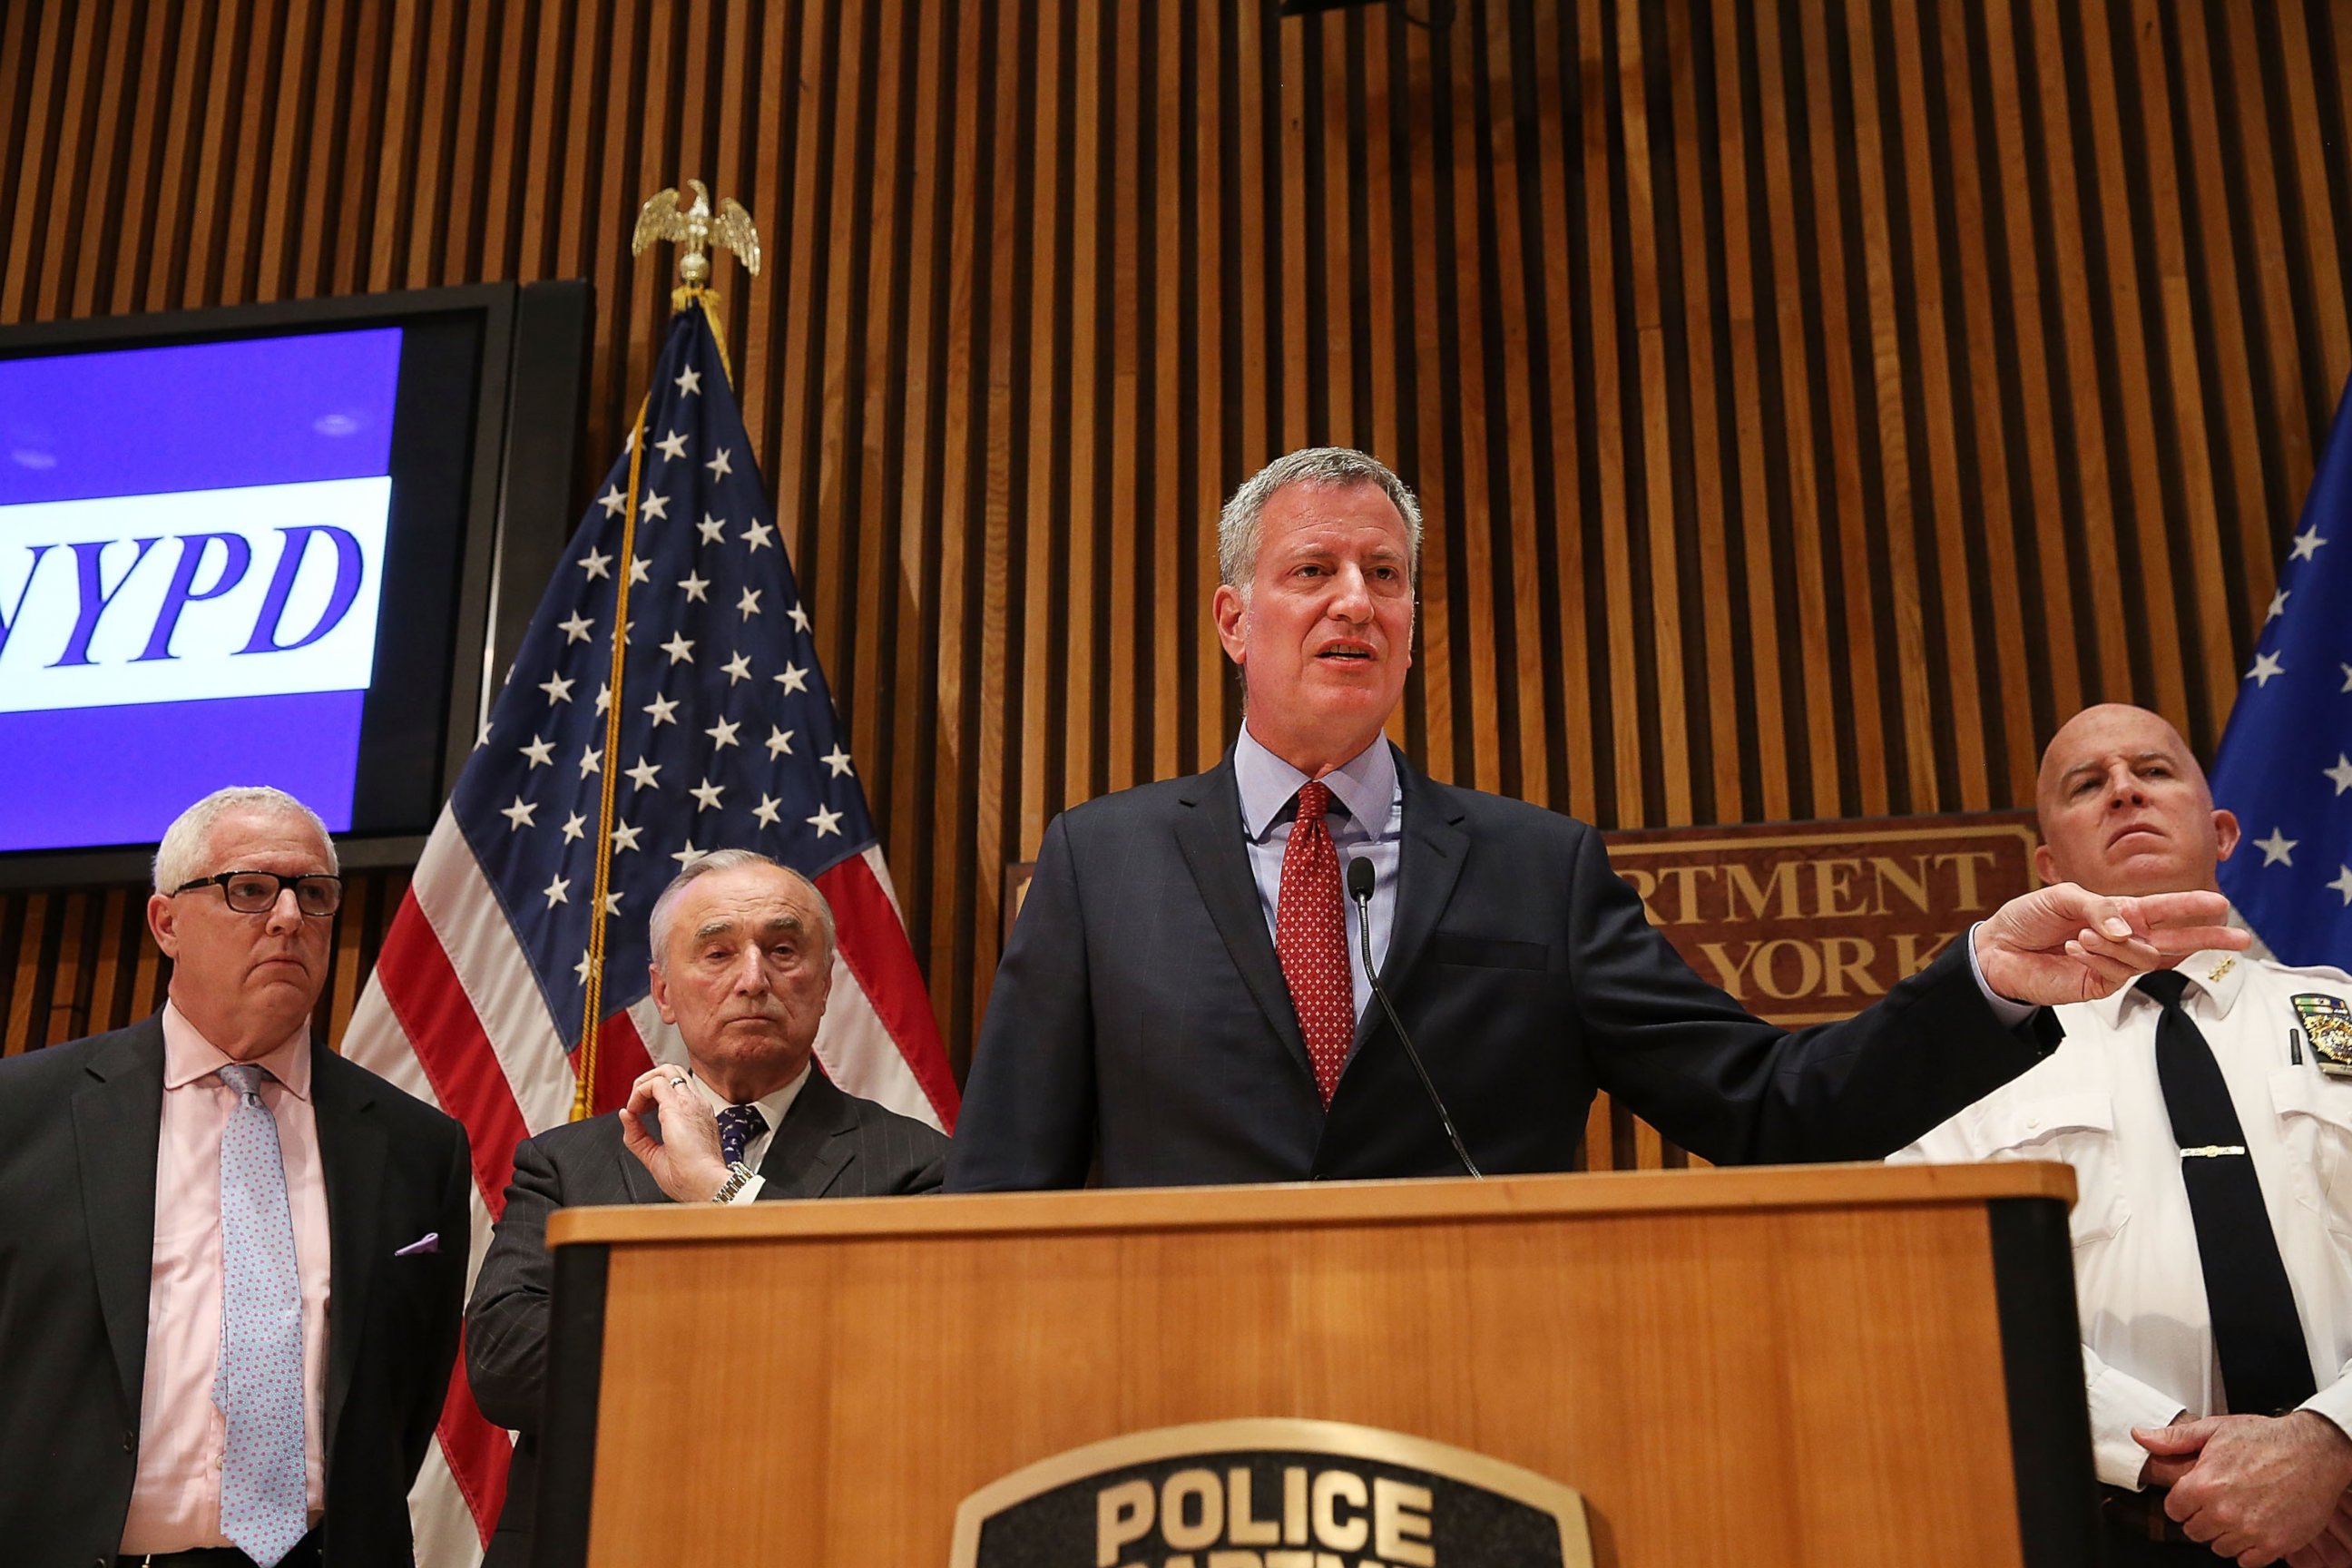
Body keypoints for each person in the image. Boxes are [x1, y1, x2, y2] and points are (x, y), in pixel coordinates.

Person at [947, 447, 2243, 1191]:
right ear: (1236, 620)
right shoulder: (1099, 861)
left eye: (1386, 576)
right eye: (1313, 572)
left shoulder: (1534, 870)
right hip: (1161, 1416)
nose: (1356, 601)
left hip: (1476, 1404)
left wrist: (1984, 983)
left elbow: (1768, 1106)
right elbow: (1005, 1181)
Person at [1896, 705, 2352, 1567]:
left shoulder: (2346, 1017)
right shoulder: (1962, 1069)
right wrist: (2174, 1452)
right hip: (2102, 1530)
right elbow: (1916, 1288)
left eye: (2153, 771)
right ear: (2046, 863)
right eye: (2086, 784)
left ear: (2221, 831)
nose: (2122, 792)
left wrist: (2329, 1439)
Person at [0, 787, 472, 1568]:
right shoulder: (22, 1115)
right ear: (167, 923)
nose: (288, 917)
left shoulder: (418, 1146)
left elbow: (408, 1393)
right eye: (249, 890)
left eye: (313, 894)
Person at [465, 848, 947, 1568]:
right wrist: (756, 1349)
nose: (753, 979)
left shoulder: (920, 1167)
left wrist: (719, 1195)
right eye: (717, 952)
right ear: (662, 992)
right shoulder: (565, 1166)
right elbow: (505, 1366)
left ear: (826, 984)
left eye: (783, 951)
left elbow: (892, 1369)